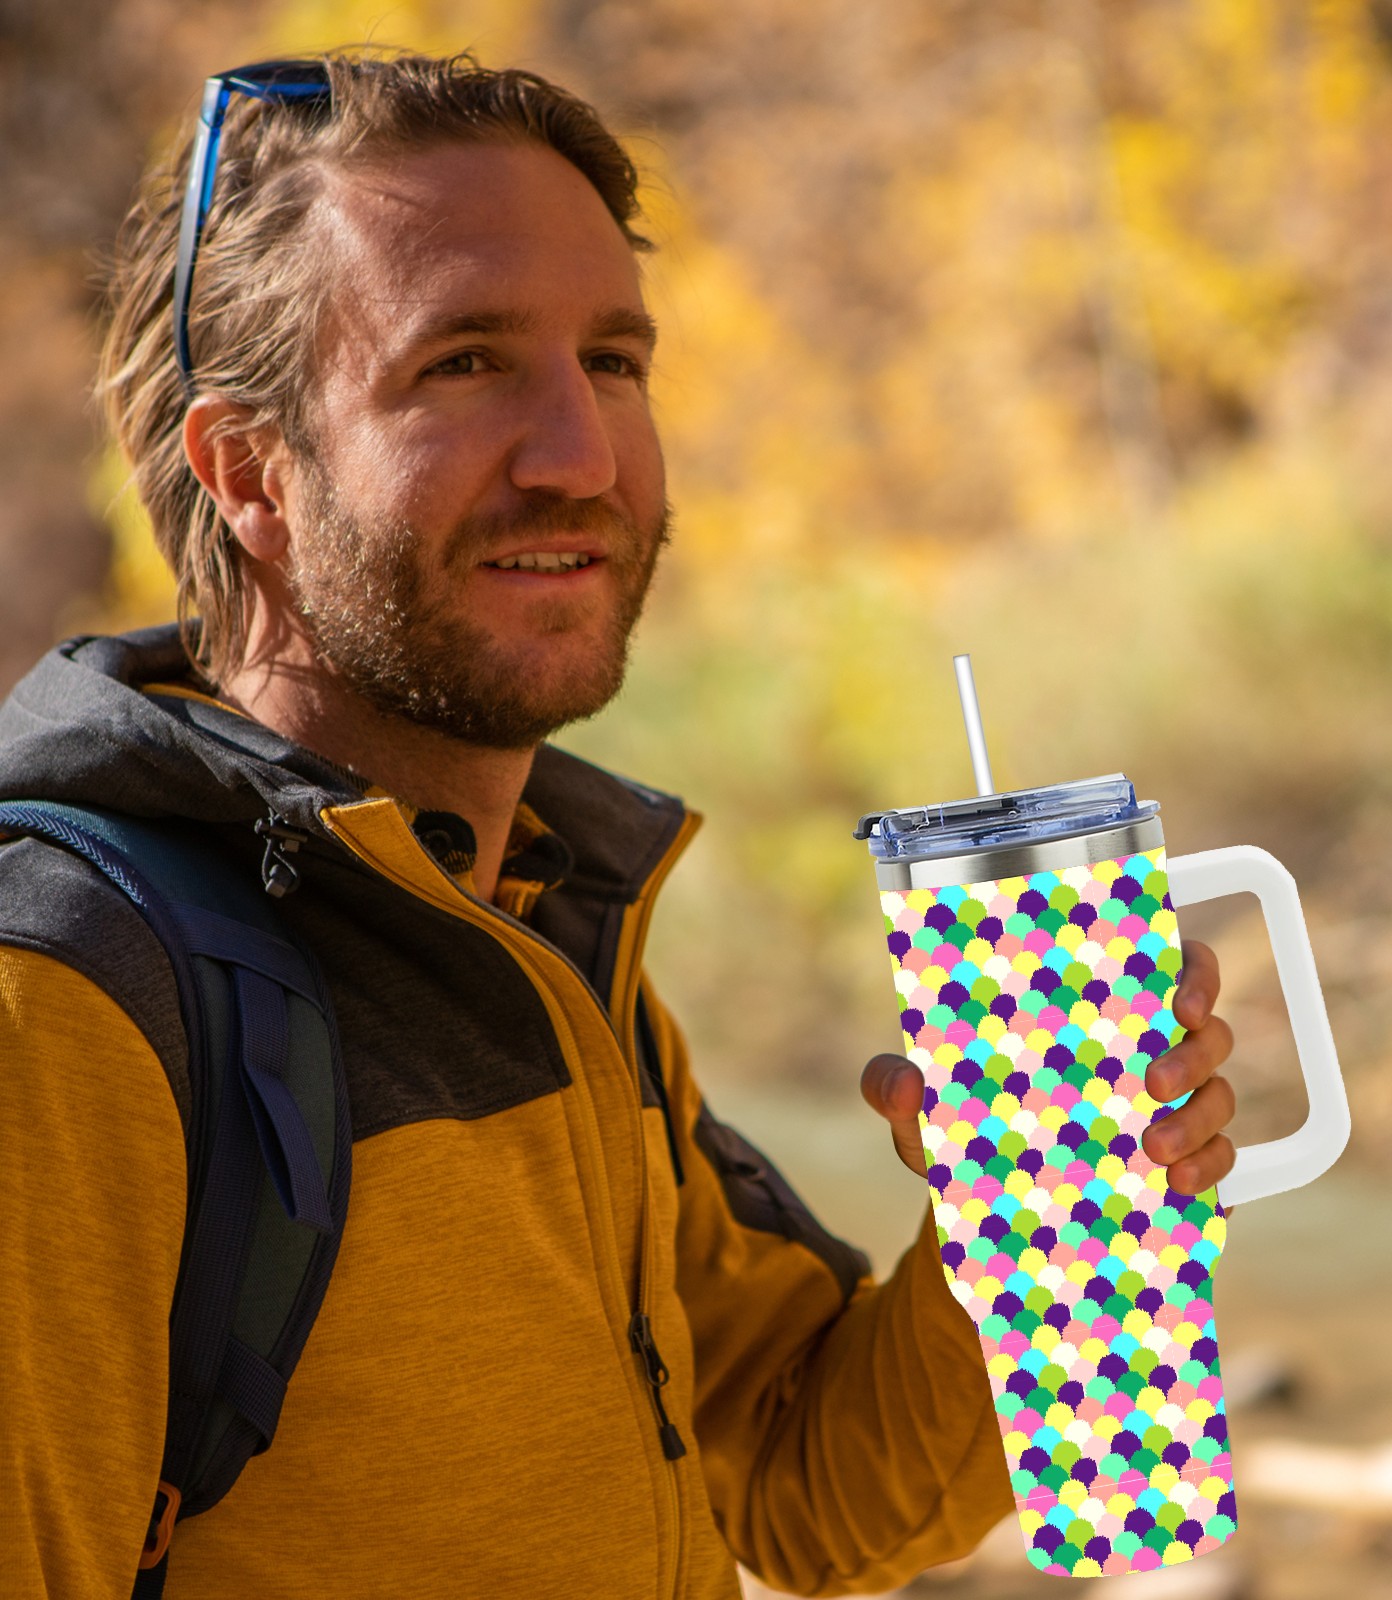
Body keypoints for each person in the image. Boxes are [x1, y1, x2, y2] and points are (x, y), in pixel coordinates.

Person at [0, 51, 1239, 1598]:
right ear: (250, 473)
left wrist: (1045, 1222)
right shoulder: (70, 997)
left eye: (614, 360)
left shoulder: (540, 922)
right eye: (464, 364)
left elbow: (805, 1489)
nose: (581, 455)